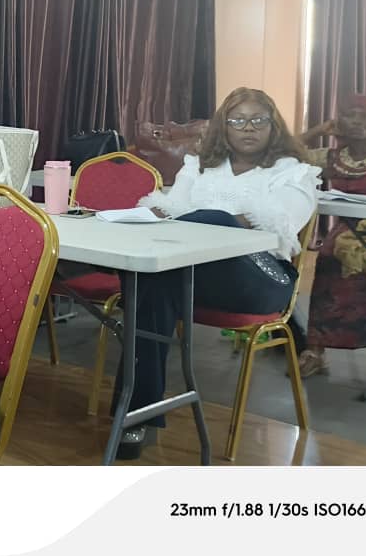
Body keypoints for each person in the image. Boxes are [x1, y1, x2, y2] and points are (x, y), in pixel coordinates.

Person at [110, 88, 319, 459]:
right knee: (151, 280)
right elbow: (172, 207)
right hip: (198, 274)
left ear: (273, 126)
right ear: (224, 126)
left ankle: (134, 412)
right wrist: (159, 214)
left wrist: (195, 220)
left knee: (215, 221)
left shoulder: (293, 171)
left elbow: (281, 221)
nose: (248, 128)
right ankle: (138, 413)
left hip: (262, 277)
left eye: (258, 120)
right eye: (238, 120)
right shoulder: (201, 166)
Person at [296, 93, 366, 377]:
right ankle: (316, 350)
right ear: (339, 121)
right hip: (348, 232)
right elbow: (284, 154)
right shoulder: (331, 157)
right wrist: (318, 130)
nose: (358, 122)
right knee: (329, 256)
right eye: (350, 115)